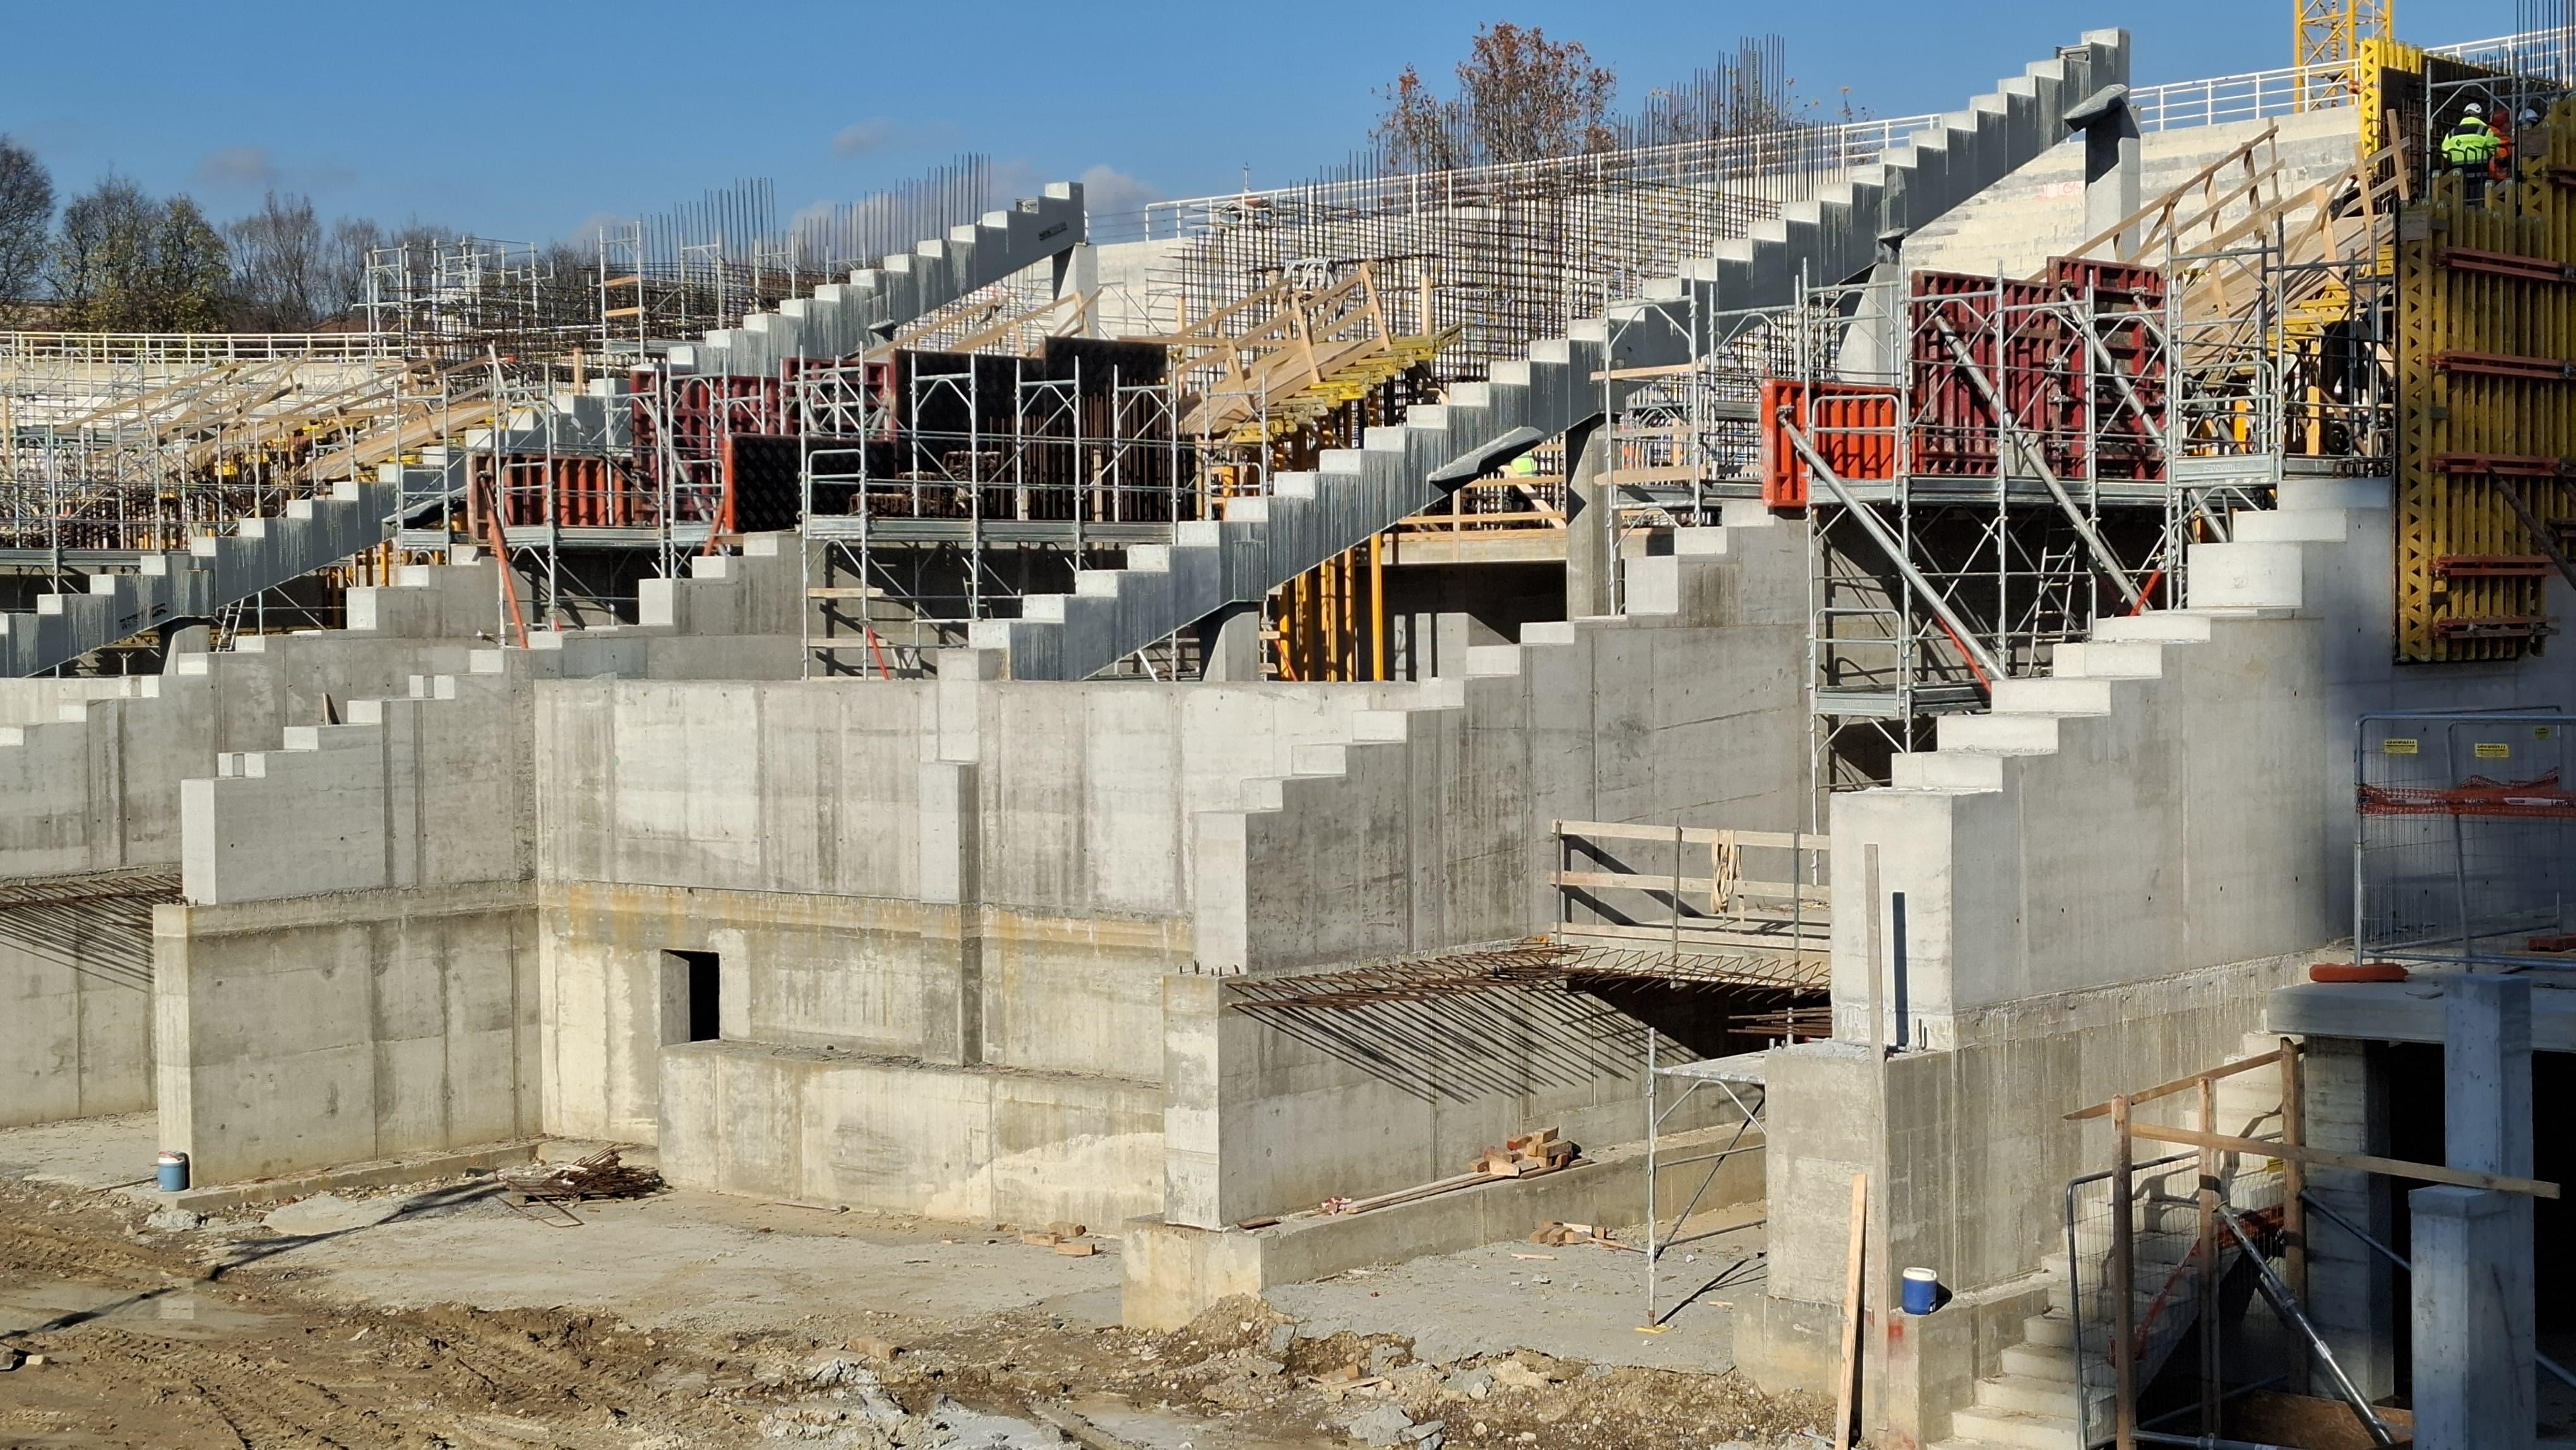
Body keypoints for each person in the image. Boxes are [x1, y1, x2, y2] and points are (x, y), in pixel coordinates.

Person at [2443, 102, 2503, 175]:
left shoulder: (2452, 133)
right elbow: (2496, 149)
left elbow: (2445, 152)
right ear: (2479, 116)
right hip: (2479, 172)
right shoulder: (2484, 131)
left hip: (2458, 172)